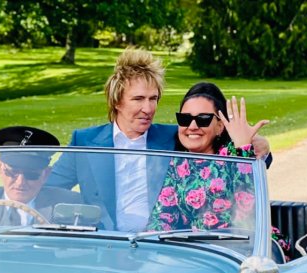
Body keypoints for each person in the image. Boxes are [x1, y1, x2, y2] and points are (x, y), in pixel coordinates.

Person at [47, 48, 271, 232]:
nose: (148, 109)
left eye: (153, 99)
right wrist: (87, 206)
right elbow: (49, 188)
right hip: (104, 246)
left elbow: (220, 146)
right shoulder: (85, 142)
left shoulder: (174, 135)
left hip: (159, 244)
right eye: (138, 99)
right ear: (116, 101)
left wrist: (260, 144)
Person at [146, 82, 291, 257]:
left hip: (250, 249)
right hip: (200, 252)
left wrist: (242, 147)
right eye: (185, 119)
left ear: (220, 126)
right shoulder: (178, 164)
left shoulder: (234, 153)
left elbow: (247, 211)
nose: (192, 126)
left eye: (203, 119)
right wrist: (148, 245)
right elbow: (164, 215)